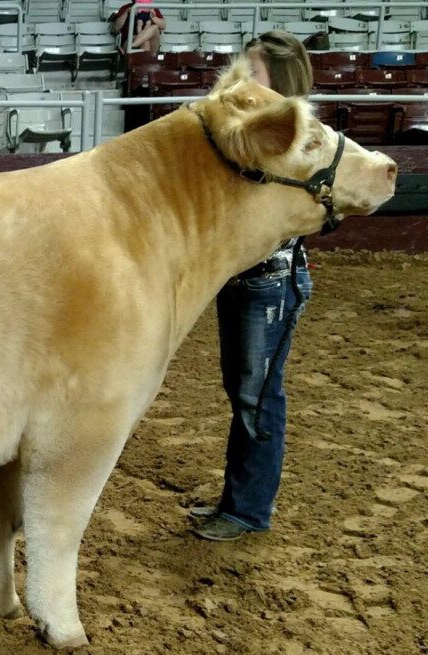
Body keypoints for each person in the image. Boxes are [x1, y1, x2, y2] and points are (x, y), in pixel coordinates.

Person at [190, 30, 315, 543]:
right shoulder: (257, 137)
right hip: (247, 277)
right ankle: (238, 500)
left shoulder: (299, 142)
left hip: (269, 281)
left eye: (253, 72)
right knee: (246, 392)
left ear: (278, 83)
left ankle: (248, 510)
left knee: (257, 397)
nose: (240, 79)